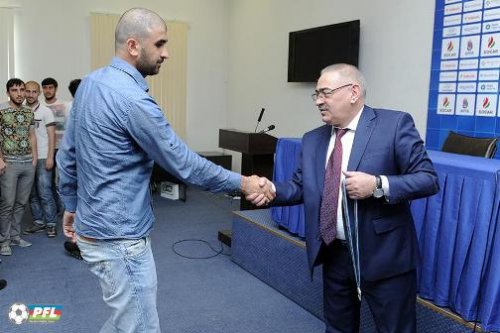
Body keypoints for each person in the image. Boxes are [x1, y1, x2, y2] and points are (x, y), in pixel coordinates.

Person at [57, 8, 273, 333]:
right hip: (120, 240)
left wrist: (71, 205)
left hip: (93, 229)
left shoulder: (89, 84)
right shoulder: (133, 101)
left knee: (124, 318)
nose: (166, 53)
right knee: (141, 327)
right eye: (160, 44)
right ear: (133, 45)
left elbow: (67, 156)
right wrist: (243, 182)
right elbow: (183, 163)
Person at [248, 64, 439, 333]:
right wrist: (273, 190)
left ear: (353, 92)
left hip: (384, 256)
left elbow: (428, 179)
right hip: (334, 253)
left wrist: (378, 184)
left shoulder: (394, 125)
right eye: (316, 94)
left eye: (325, 93)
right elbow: (301, 186)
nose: (318, 101)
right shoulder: (313, 139)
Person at [0, 78, 37, 256]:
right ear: (8, 92)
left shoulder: (29, 112)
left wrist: (35, 159)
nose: (20, 93)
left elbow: (32, 136)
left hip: (27, 162)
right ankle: (4, 240)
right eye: (15, 90)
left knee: (21, 203)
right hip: (9, 162)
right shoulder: (1, 110)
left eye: (22, 90)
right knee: (7, 203)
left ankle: (15, 236)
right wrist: (0, 159)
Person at [23, 81, 58, 238]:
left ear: (39, 93)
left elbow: (52, 136)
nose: (30, 95)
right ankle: (38, 222)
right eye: (27, 91)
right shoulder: (21, 112)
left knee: (44, 192)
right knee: (31, 193)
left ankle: (51, 224)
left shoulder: (46, 111)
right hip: (26, 158)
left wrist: (50, 157)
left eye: (34, 92)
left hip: (44, 156)